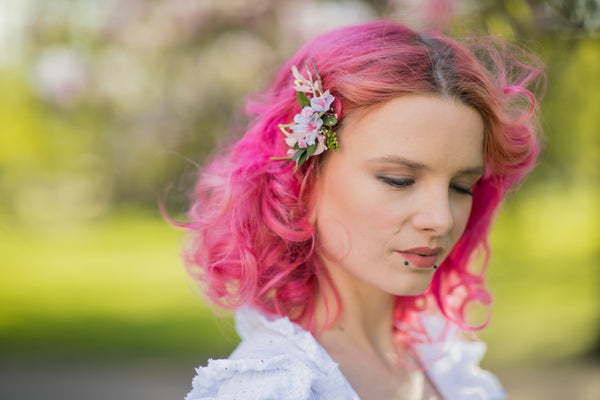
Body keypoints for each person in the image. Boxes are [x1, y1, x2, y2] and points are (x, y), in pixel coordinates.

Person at [180, 19, 543, 400]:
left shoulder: (446, 364)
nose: (441, 219)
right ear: (303, 182)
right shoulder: (275, 388)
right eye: (398, 180)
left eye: (461, 186)